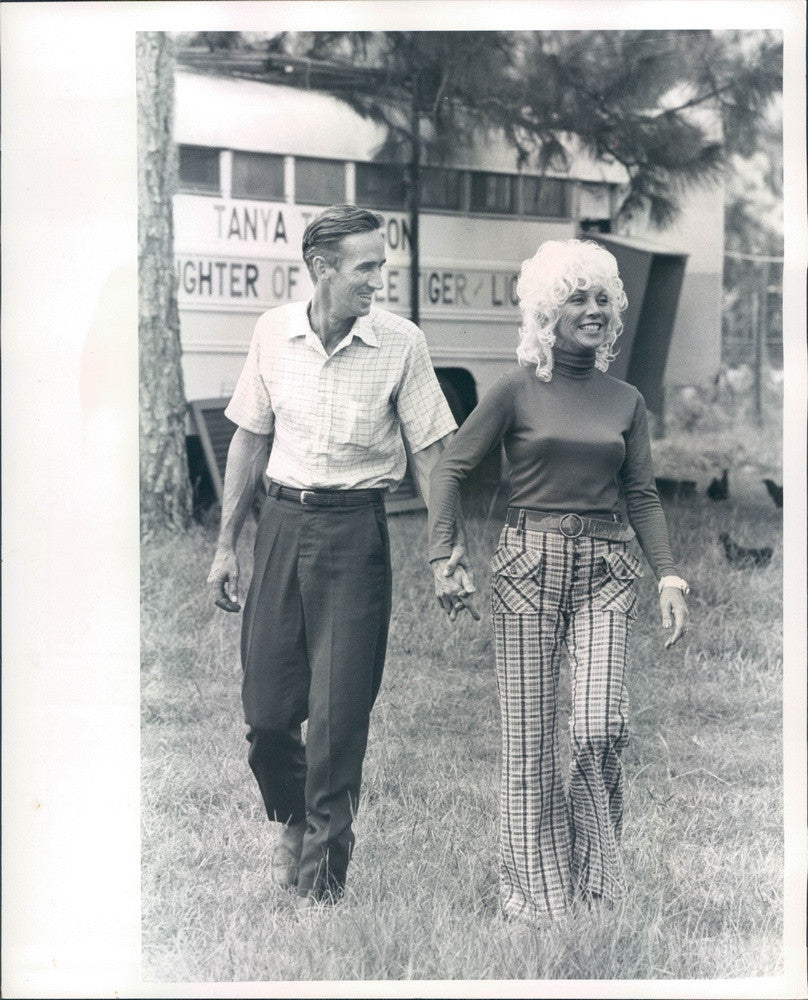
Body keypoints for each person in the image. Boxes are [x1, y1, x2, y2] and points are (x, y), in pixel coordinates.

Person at [207, 205, 478, 911]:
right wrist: (226, 544)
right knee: (267, 713)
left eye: (380, 266)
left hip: (357, 536)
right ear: (322, 269)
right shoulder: (273, 334)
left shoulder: (400, 344)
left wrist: (444, 550)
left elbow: (431, 453)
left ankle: (322, 883)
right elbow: (248, 439)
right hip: (282, 527)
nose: (377, 281)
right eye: (366, 267)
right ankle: (293, 818)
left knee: (336, 717)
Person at [428, 238, 689, 923]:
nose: (594, 309)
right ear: (548, 311)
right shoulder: (515, 387)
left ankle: (598, 885)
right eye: (578, 297)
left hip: (606, 569)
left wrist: (668, 578)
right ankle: (537, 897)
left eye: (603, 297)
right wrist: (442, 553)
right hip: (527, 571)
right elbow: (451, 469)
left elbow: (643, 495)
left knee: (600, 727)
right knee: (528, 740)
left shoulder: (627, 399)